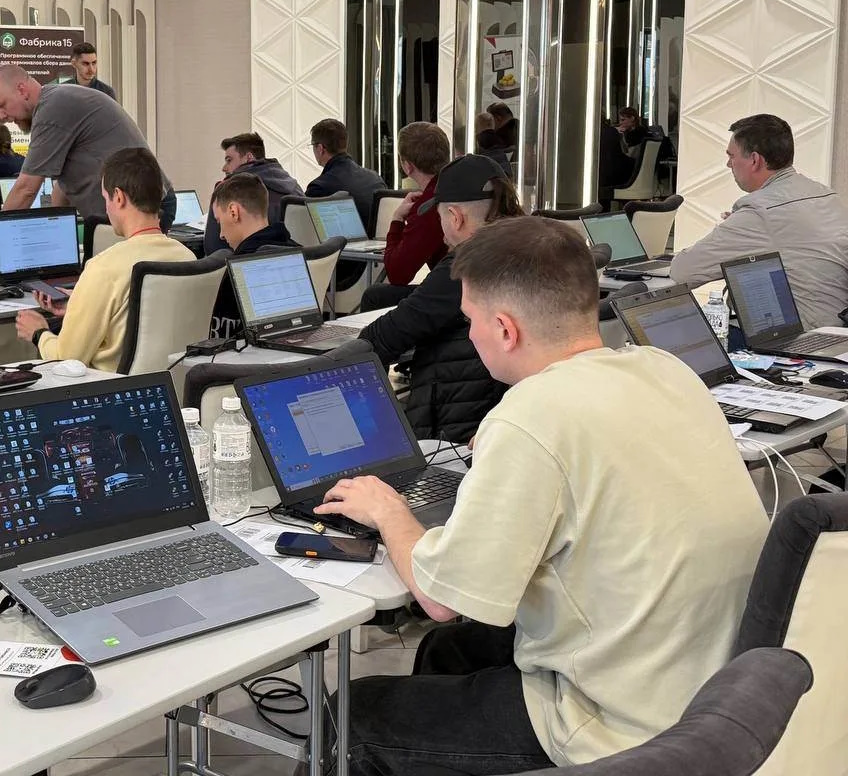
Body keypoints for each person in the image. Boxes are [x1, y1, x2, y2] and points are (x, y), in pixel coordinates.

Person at [318, 215, 767, 774]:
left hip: (626, 724)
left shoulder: (532, 415)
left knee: (354, 717)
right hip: (718, 688)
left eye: (470, 321)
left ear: (505, 330)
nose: (470, 334)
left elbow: (441, 600)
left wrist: (391, 513)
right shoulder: (663, 369)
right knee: (449, 650)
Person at [340, 154, 521, 444]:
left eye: (439, 217)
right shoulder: (525, 248)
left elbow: (389, 334)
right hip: (500, 413)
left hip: (454, 428)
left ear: (455, 217)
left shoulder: (468, 266)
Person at [14, 147, 193, 371]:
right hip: (177, 385)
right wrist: (79, 307)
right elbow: (151, 324)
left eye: (105, 198)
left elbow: (67, 360)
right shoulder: (187, 258)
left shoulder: (104, 268)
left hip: (111, 387)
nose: (106, 208)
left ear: (118, 197)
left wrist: (39, 333)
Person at [670, 113, 848, 329]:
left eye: (732, 156)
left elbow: (682, 272)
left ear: (755, 160)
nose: (728, 164)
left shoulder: (760, 211)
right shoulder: (825, 195)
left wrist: (737, 228)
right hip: (838, 329)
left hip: (799, 338)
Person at [0, 63, 175, 227]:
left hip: (144, 208)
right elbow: (63, 186)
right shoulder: (56, 101)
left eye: (1, 105)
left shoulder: (51, 110)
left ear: (21, 90)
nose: (1, 116)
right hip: (130, 208)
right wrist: (57, 229)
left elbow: (26, 188)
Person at [361, 123, 451, 311]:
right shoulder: (456, 188)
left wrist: (397, 220)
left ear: (407, 166)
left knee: (375, 296)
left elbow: (398, 274)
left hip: (452, 296)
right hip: (478, 287)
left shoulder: (429, 206)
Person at [207, 172, 298, 339]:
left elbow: (222, 340)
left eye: (219, 221)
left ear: (233, 212)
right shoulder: (299, 252)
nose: (221, 234)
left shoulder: (240, 268)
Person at [305, 118, 387, 231]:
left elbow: (309, 232)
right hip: (380, 242)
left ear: (320, 148)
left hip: (341, 243)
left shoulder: (318, 188)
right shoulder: (375, 178)